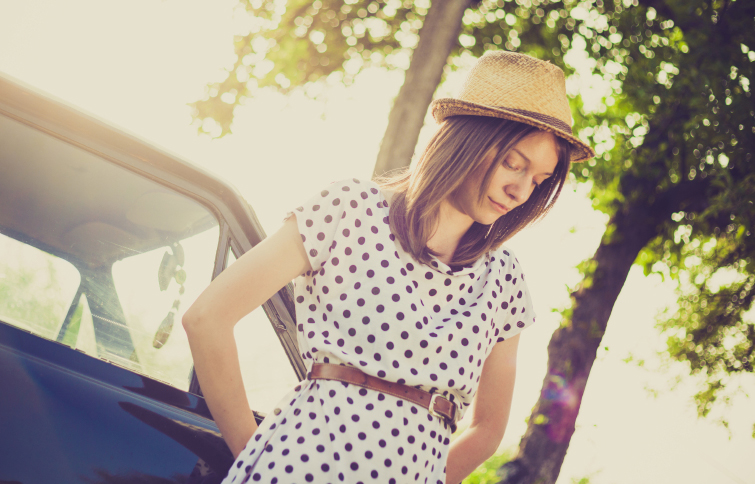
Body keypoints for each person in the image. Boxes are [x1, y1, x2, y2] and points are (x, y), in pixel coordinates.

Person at [183, 51, 595, 484]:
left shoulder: (504, 280)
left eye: (538, 180)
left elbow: (487, 430)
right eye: (514, 163)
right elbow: (207, 318)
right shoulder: (349, 208)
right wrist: (257, 456)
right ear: (467, 139)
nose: (520, 191)